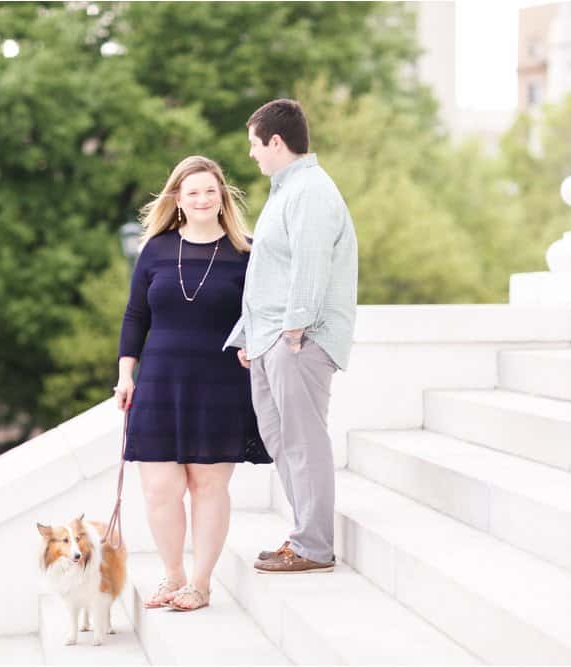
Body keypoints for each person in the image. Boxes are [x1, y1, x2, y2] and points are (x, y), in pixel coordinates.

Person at [116, 155, 271, 612]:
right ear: (178, 201)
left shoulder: (247, 252)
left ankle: (200, 583)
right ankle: (173, 575)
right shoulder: (156, 249)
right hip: (159, 381)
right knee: (160, 488)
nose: (202, 199)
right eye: (192, 192)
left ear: (222, 196)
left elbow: (262, 314)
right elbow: (134, 316)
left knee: (208, 487)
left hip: (220, 383)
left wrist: (254, 347)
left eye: (210, 190)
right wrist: (126, 374)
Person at [223, 99, 358, 574]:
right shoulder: (286, 192)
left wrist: (293, 332)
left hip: (299, 340)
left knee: (303, 442)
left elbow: (311, 264)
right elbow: (269, 272)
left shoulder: (312, 192)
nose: (253, 155)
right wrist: (248, 336)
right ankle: (303, 537)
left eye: (255, 146)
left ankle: (315, 547)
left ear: (276, 142)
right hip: (270, 340)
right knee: (283, 441)